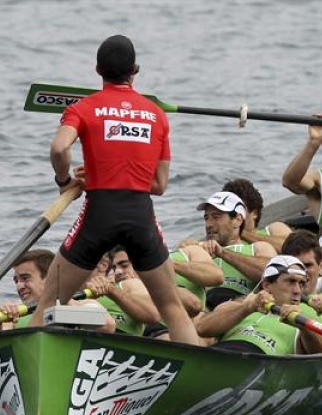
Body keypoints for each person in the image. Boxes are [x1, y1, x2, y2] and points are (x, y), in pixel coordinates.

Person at [29, 34, 201, 346]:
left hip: (99, 214)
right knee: (172, 309)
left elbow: (58, 149)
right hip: (140, 216)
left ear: (98, 70)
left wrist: (65, 180)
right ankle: (199, 370)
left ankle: (33, 366)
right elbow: (159, 185)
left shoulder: (82, 108)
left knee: (48, 302)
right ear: (134, 71)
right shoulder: (156, 115)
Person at [194, 256, 322, 355]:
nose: (297, 290)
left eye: (301, 283)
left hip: (260, 361)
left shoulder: (306, 320)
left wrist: (304, 327)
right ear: (266, 285)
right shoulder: (239, 307)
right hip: (219, 353)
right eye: (291, 282)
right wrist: (246, 309)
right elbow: (201, 329)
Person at [190, 191, 276, 309]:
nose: (208, 224)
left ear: (238, 220)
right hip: (205, 309)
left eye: (216, 217)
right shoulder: (198, 251)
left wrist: (222, 253)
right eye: (206, 218)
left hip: (241, 307)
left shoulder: (257, 247)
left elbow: (272, 275)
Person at [87, 246, 162, 336]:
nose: (118, 272)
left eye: (125, 265)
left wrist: (111, 290)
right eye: (113, 268)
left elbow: (153, 316)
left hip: (118, 336)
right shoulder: (95, 283)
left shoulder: (130, 284)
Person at [221, 178, 292, 252]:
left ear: (255, 213)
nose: (231, 214)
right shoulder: (220, 242)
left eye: (238, 209)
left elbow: (291, 248)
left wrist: (240, 232)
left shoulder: (273, 230)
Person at [280, 229, 322, 293]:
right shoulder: (270, 297)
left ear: (321, 266)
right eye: (296, 265)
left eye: (307, 265)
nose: (302, 272)